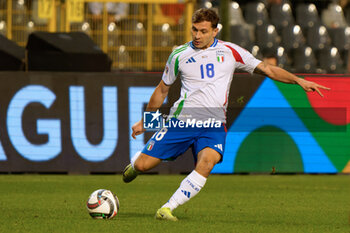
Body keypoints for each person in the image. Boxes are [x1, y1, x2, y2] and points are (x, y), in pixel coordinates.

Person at [122, 8, 330, 221]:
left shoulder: (231, 51)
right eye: (194, 30)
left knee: (207, 163)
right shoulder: (179, 55)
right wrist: (146, 121)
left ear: (215, 31)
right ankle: (135, 166)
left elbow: (268, 69)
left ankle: (167, 208)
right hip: (182, 121)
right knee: (142, 165)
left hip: (214, 124)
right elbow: (162, 90)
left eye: (203, 31)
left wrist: (299, 81)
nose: (197, 36)